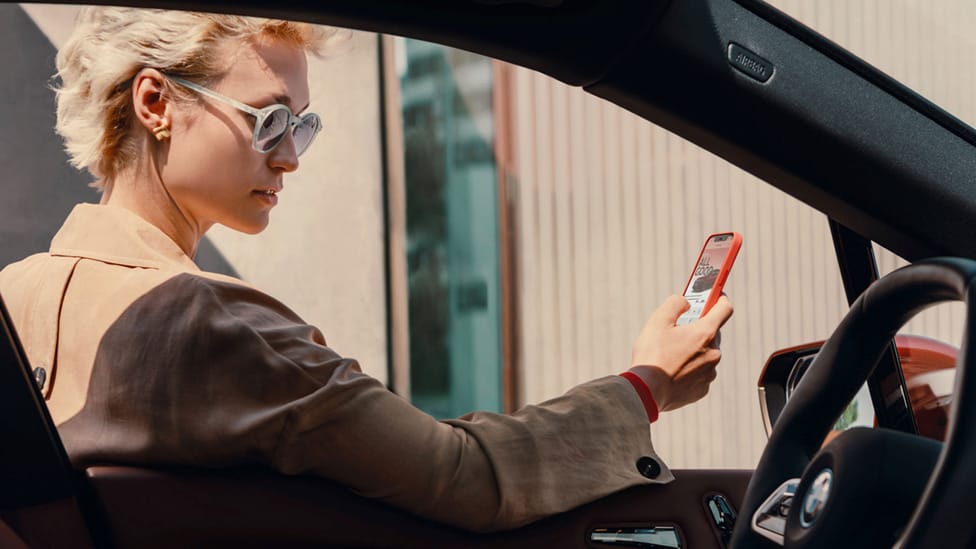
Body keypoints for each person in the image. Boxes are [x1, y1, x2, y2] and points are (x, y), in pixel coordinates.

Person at [0, 7, 733, 532]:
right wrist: (648, 384)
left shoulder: (14, 296)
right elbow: (464, 477)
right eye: (269, 120)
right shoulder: (217, 327)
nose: (290, 157)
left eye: (302, 126)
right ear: (156, 101)